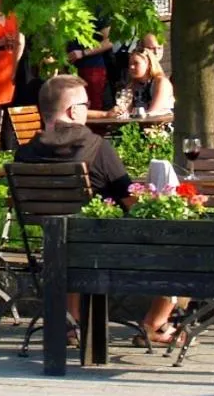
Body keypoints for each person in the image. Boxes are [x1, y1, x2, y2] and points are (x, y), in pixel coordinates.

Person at [14, 75, 175, 343]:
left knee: (69, 238)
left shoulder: (25, 153)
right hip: (99, 249)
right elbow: (129, 202)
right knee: (180, 245)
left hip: (49, 246)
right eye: (86, 104)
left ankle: (71, 324)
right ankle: (154, 324)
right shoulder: (96, 147)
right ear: (73, 110)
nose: (88, 109)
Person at [68, 17, 112, 111]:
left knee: (92, 106)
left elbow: (110, 40)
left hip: (91, 67)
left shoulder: (96, 7)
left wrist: (84, 52)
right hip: (66, 67)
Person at [115, 49, 175, 117]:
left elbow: (153, 112)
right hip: (140, 123)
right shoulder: (131, 87)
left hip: (161, 124)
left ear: (148, 64)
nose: (131, 67)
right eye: (130, 64)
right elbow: (127, 113)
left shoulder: (160, 82)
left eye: (136, 63)